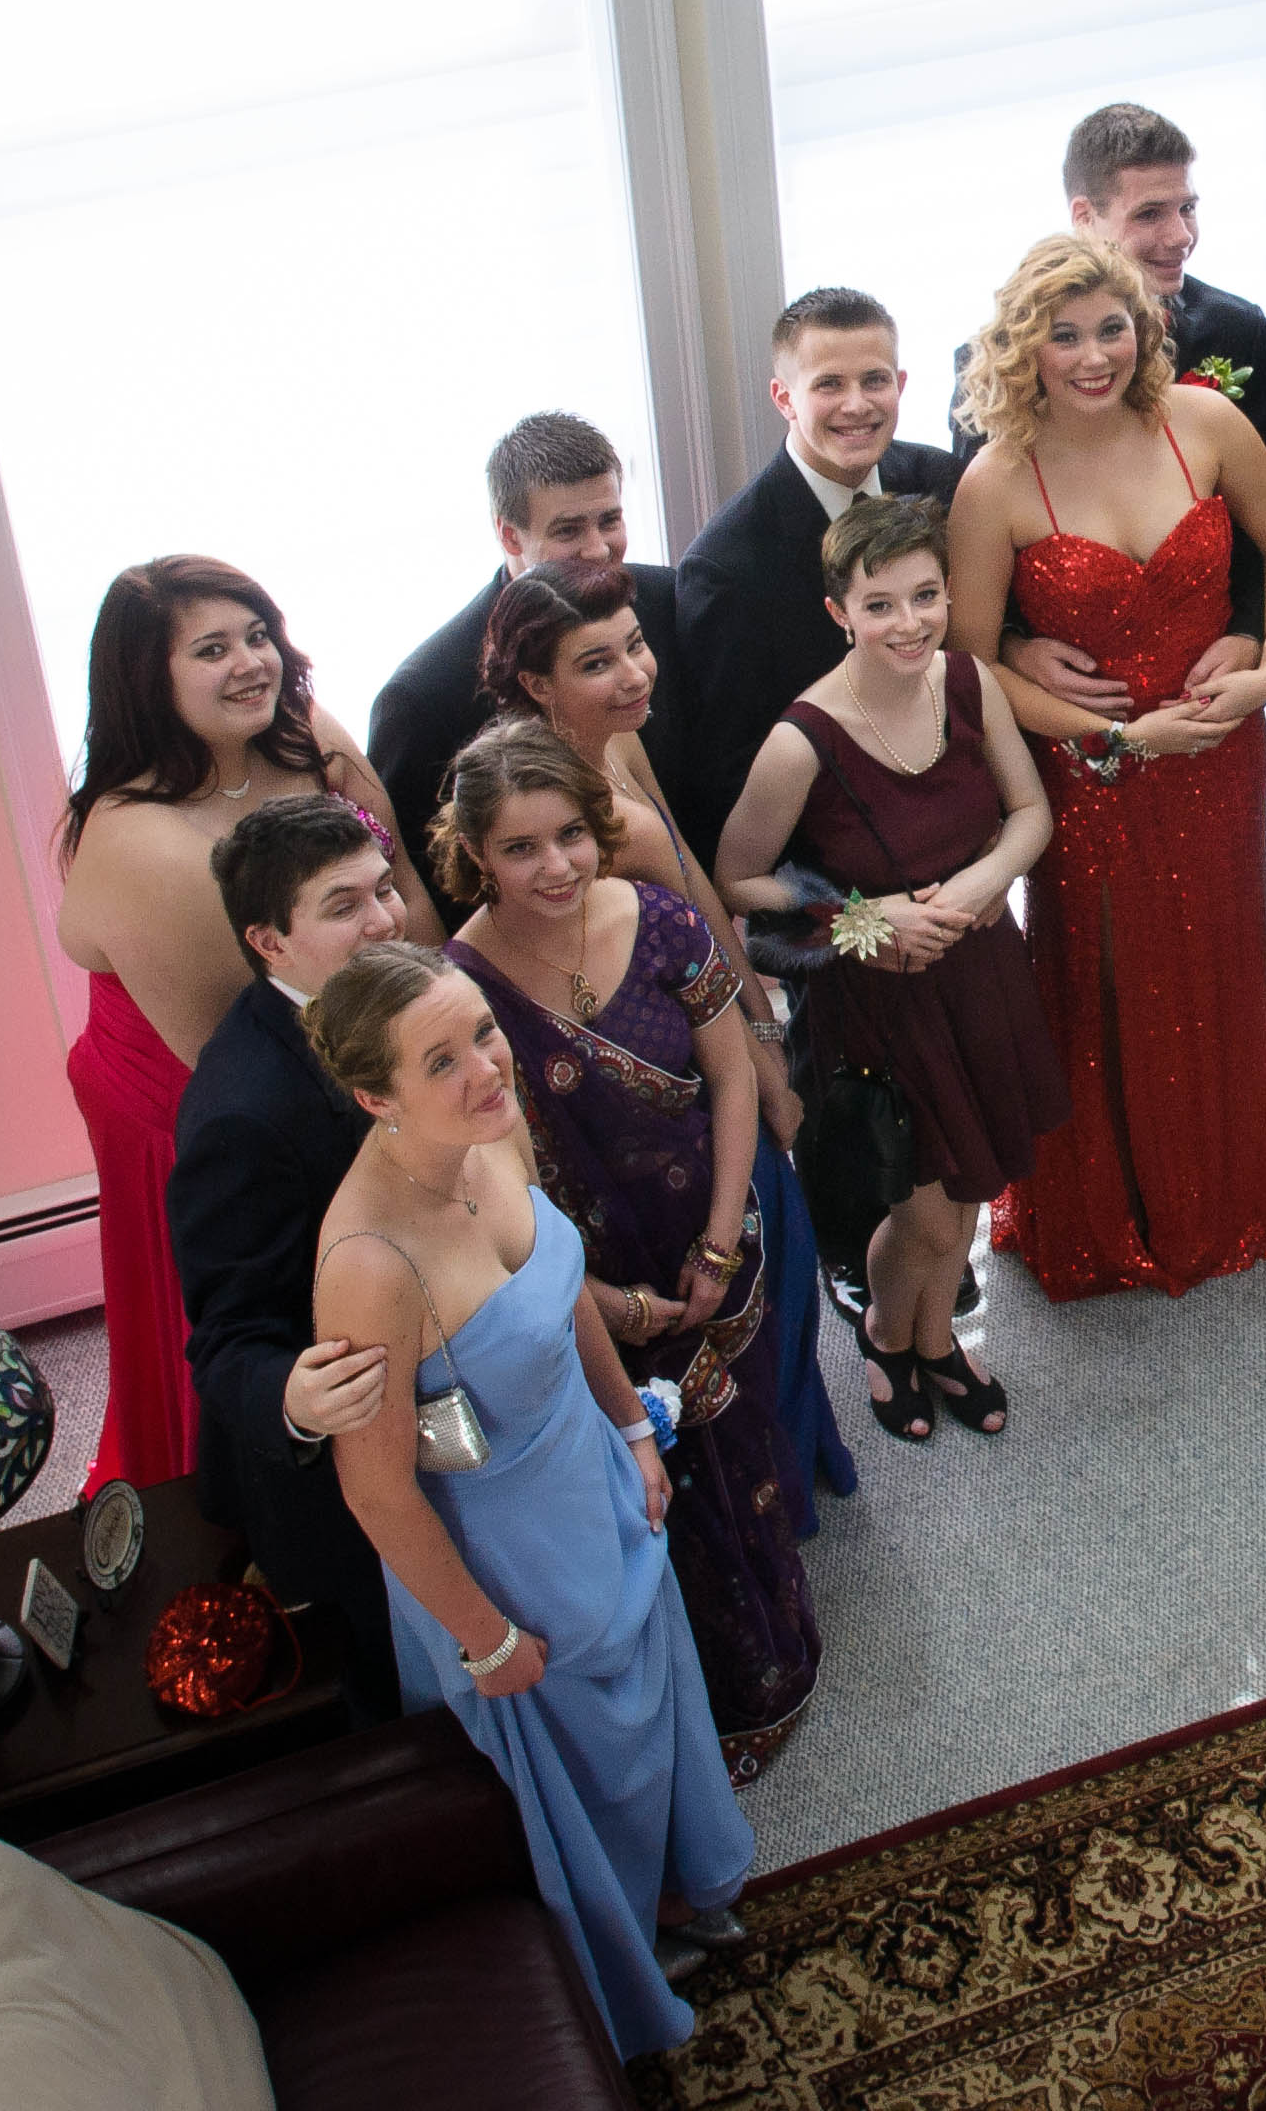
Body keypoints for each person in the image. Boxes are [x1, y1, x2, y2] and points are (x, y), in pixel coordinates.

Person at [305, 941, 755, 2059]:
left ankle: (675, 1884)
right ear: (375, 1098)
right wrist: (487, 1638)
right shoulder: (368, 1263)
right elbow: (375, 1489)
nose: (485, 1067)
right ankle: (619, 1962)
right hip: (500, 1554)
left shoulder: (492, 1132)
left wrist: (629, 1426)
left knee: (649, 1707)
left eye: (483, 1032)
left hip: (589, 1475)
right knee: (576, 1763)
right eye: (440, 1060)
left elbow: (563, 1296)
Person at [435, 722, 822, 1780]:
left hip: (714, 1236)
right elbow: (491, 1185)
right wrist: (599, 1300)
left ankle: (779, 1648)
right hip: (588, 1288)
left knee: (744, 1450)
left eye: (570, 834)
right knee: (651, 1487)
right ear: (476, 854)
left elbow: (731, 1079)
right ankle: (701, 1701)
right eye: (521, 848)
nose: (556, 866)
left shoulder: (659, 919)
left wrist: (719, 1243)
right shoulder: (462, 988)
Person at [950, 234, 1266, 1304]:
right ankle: (1107, 1214)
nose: (1094, 355)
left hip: (1220, 751)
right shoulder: (997, 480)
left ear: (1145, 330)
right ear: (1024, 348)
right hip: (1091, 773)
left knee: (1220, 964)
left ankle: (1220, 1196)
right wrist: (1105, 736)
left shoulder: (1205, 422)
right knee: (1104, 985)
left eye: (1112, 328)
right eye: (1063, 336)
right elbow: (969, 662)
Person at [485, 558, 854, 1529]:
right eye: (597, 661)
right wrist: (756, 1069)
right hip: (653, 1078)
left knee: (785, 1277)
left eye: (636, 645)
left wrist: (765, 1031)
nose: (634, 673)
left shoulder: (617, 734)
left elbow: (689, 879)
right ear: (536, 684)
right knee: (755, 1271)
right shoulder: (554, 810)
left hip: (716, 1022)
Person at [57, 557, 434, 1497]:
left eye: (258, 636)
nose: (250, 663)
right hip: (192, 1096)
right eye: (212, 649)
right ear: (148, 679)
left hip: (335, 1037)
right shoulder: (144, 844)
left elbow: (408, 901)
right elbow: (254, 1049)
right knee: (252, 1288)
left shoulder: (309, 738)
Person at [722, 495, 1065, 1441]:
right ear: (840, 612)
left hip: (980, 974)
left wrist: (983, 881)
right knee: (924, 1213)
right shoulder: (801, 739)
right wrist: (871, 919)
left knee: (971, 1189)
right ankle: (885, 1332)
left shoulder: (971, 682)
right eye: (880, 605)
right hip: (880, 1003)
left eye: (924, 597)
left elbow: (1030, 812)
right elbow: (739, 880)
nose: (908, 623)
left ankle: (934, 1341)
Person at [169, 796, 416, 1719]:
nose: (385, 919)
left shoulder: (394, 994)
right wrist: (295, 1398)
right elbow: (227, 1339)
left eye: (384, 889)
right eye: (345, 905)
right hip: (344, 1462)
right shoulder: (243, 1115)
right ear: (269, 941)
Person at [968, 103, 1266, 739]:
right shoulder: (995, 376)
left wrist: (1255, 639)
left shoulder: (1237, 332)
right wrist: (1016, 649)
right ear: (1084, 217)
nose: (1180, 235)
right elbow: (975, 574)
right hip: (1076, 722)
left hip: (1216, 699)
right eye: (1150, 213)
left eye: (1188, 207)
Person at [671, 287, 965, 861]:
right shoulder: (726, 567)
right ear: (784, 398)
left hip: (961, 820)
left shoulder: (941, 480)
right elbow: (730, 776)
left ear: (901, 385)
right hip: (835, 863)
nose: (857, 405)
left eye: (874, 380)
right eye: (829, 384)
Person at [368, 413, 684, 922]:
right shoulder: (424, 696)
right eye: (568, 530)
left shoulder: (666, 599)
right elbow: (434, 891)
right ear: (510, 536)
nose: (598, 548)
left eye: (609, 520)